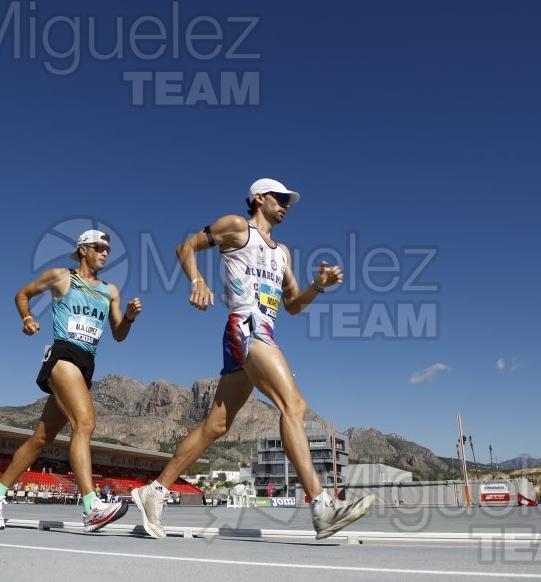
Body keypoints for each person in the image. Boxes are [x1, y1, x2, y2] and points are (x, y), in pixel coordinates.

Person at [131, 178, 375, 540]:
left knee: (216, 426)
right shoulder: (236, 227)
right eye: (280, 198)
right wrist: (197, 280)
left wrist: (318, 285)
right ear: (259, 198)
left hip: (263, 330)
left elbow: (292, 305)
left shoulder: (282, 253)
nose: (286, 205)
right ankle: (322, 504)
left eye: (289, 201)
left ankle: (156, 491)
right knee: (293, 404)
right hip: (246, 324)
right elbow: (186, 247)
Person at [0, 229, 141, 533]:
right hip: (62, 356)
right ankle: (91, 506)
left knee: (42, 438)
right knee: (85, 423)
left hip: (86, 364)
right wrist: (27, 318)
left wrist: (130, 317)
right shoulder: (60, 277)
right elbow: (22, 294)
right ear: (83, 250)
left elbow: (118, 335)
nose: (106, 252)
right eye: (99, 247)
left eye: (108, 248)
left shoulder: (111, 291)